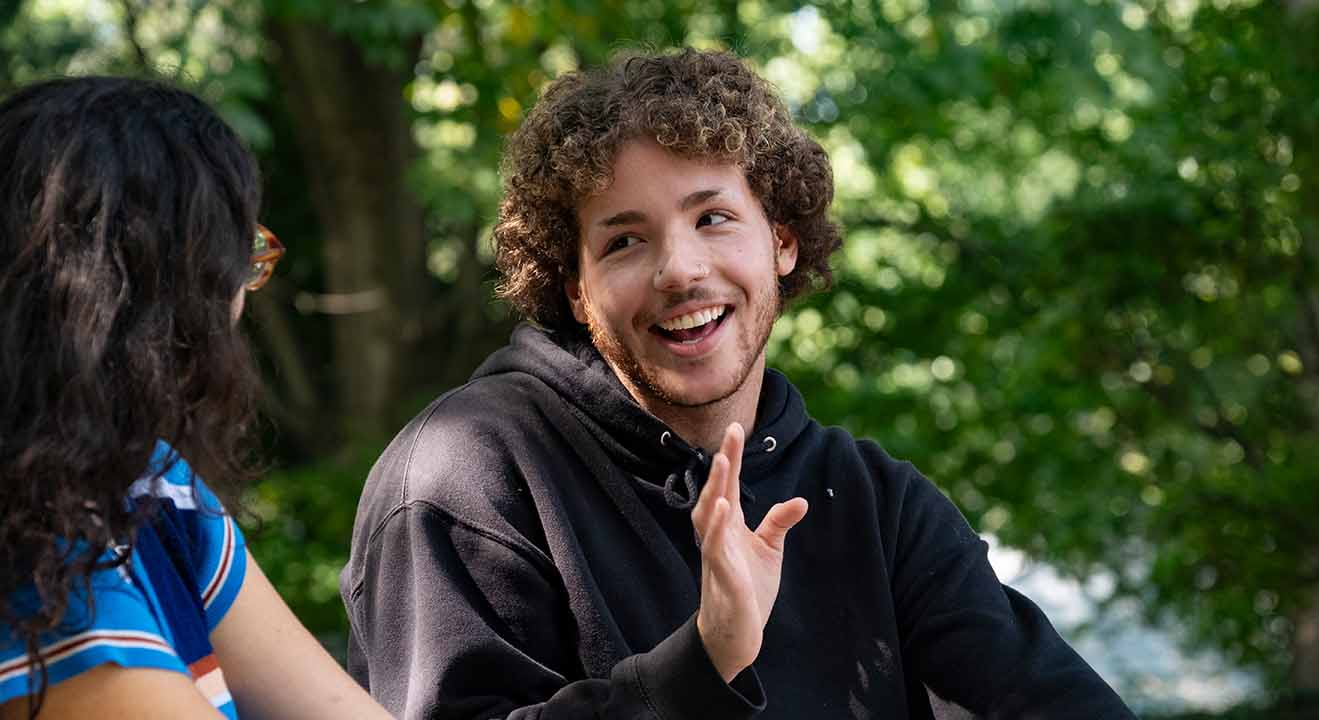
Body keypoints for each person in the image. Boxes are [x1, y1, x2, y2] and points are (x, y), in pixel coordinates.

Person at [342, 49, 1136, 719]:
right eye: (624, 240)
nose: (681, 269)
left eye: (713, 218)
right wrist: (704, 659)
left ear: (782, 242)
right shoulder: (464, 476)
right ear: (575, 289)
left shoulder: (873, 503)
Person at [0, 77, 391, 720]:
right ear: (173, 288)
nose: (243, 301)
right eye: (239, 259)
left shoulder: (152, 484)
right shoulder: (33, 563)